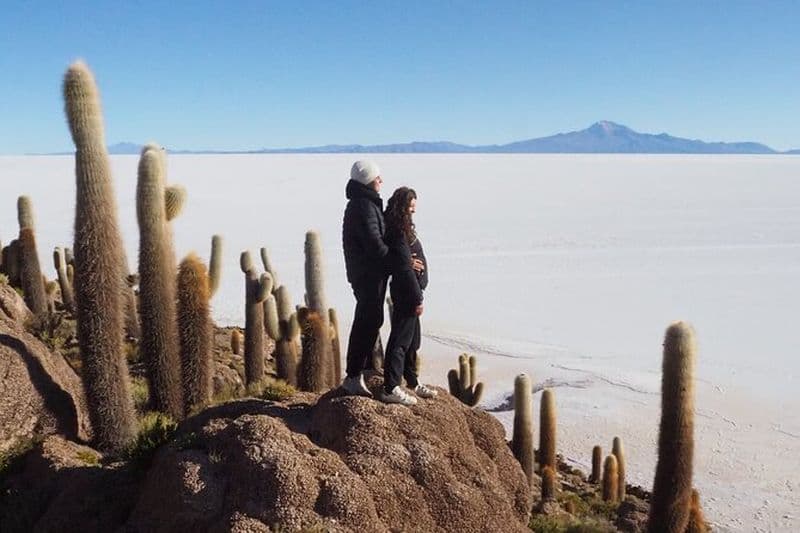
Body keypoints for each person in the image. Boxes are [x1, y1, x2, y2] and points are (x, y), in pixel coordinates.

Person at [381, 187, 438, 405]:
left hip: (412, 290)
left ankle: (412, 381)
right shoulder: (396, 230)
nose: (413, 210)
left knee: (413, 340)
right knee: (401, 341)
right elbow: (404, 267)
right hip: (407, 292)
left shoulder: (403, 227)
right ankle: (391, 387)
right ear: (401, 206)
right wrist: (417, 299)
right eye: (410, 206)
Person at [341, 160, 389, 397]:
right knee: (367, 321)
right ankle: (353, 375)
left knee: (370, 319)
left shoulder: (365, 203)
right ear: (368, 180)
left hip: (367, 273)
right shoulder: (363, 206)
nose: (381, 180)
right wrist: (399, 262)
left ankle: (364, 369)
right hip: (367, 274)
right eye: (377, 177)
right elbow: (374, 244)